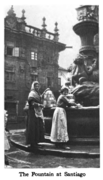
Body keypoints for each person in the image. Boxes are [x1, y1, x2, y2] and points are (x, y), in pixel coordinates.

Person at [26, 81, 45, 149]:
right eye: (36, 86)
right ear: (33, 87)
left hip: (37, 112)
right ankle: (32, 144)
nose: (37, 87)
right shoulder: (32, 93)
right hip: (32, 112)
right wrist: (39, 104)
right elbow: (32, 103)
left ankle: (36, 142)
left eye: (38, 86)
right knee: (32, 127)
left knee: (37, 127)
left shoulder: (37, 93)